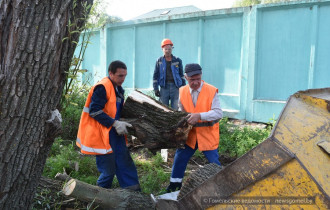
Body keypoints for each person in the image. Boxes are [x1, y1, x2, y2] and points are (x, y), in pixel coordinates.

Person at [76, 60, 140, 191]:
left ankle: (134, 195)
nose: (123, 79)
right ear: (111, 73)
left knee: (125, 162)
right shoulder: (102, 87)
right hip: (102, 135)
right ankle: (99, 197)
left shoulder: (118, 89)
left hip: (115, 134)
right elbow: (95, 111)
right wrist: (114, 123)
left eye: (125, 75)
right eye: (120, 75)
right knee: (108, 170)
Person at [166, 63, 223, 192]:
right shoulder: (182, 91)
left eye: (198, 78)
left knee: (214, 163)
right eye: (192, 80)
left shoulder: (211, 90)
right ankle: (174, 186)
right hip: (190, 136)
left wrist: (199, 115)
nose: (196, 82)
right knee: (179, 159)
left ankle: (222, 187)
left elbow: (218, 113)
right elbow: (182, 111)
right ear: (186, 77)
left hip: (207, 136)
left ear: (201, 75)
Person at [153, 38, 185, 110]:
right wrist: (155, 89)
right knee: (163, 109)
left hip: (176, 87)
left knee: (176, 109)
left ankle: (175, 121)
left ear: (172, 49)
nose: (167, 51)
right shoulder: (159, 61)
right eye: (166, 49)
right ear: (162, 49)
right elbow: (155, 76)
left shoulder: (177, 60)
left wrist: (183, 88)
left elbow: (181, 75)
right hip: (164, 87)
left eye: (169, 49)